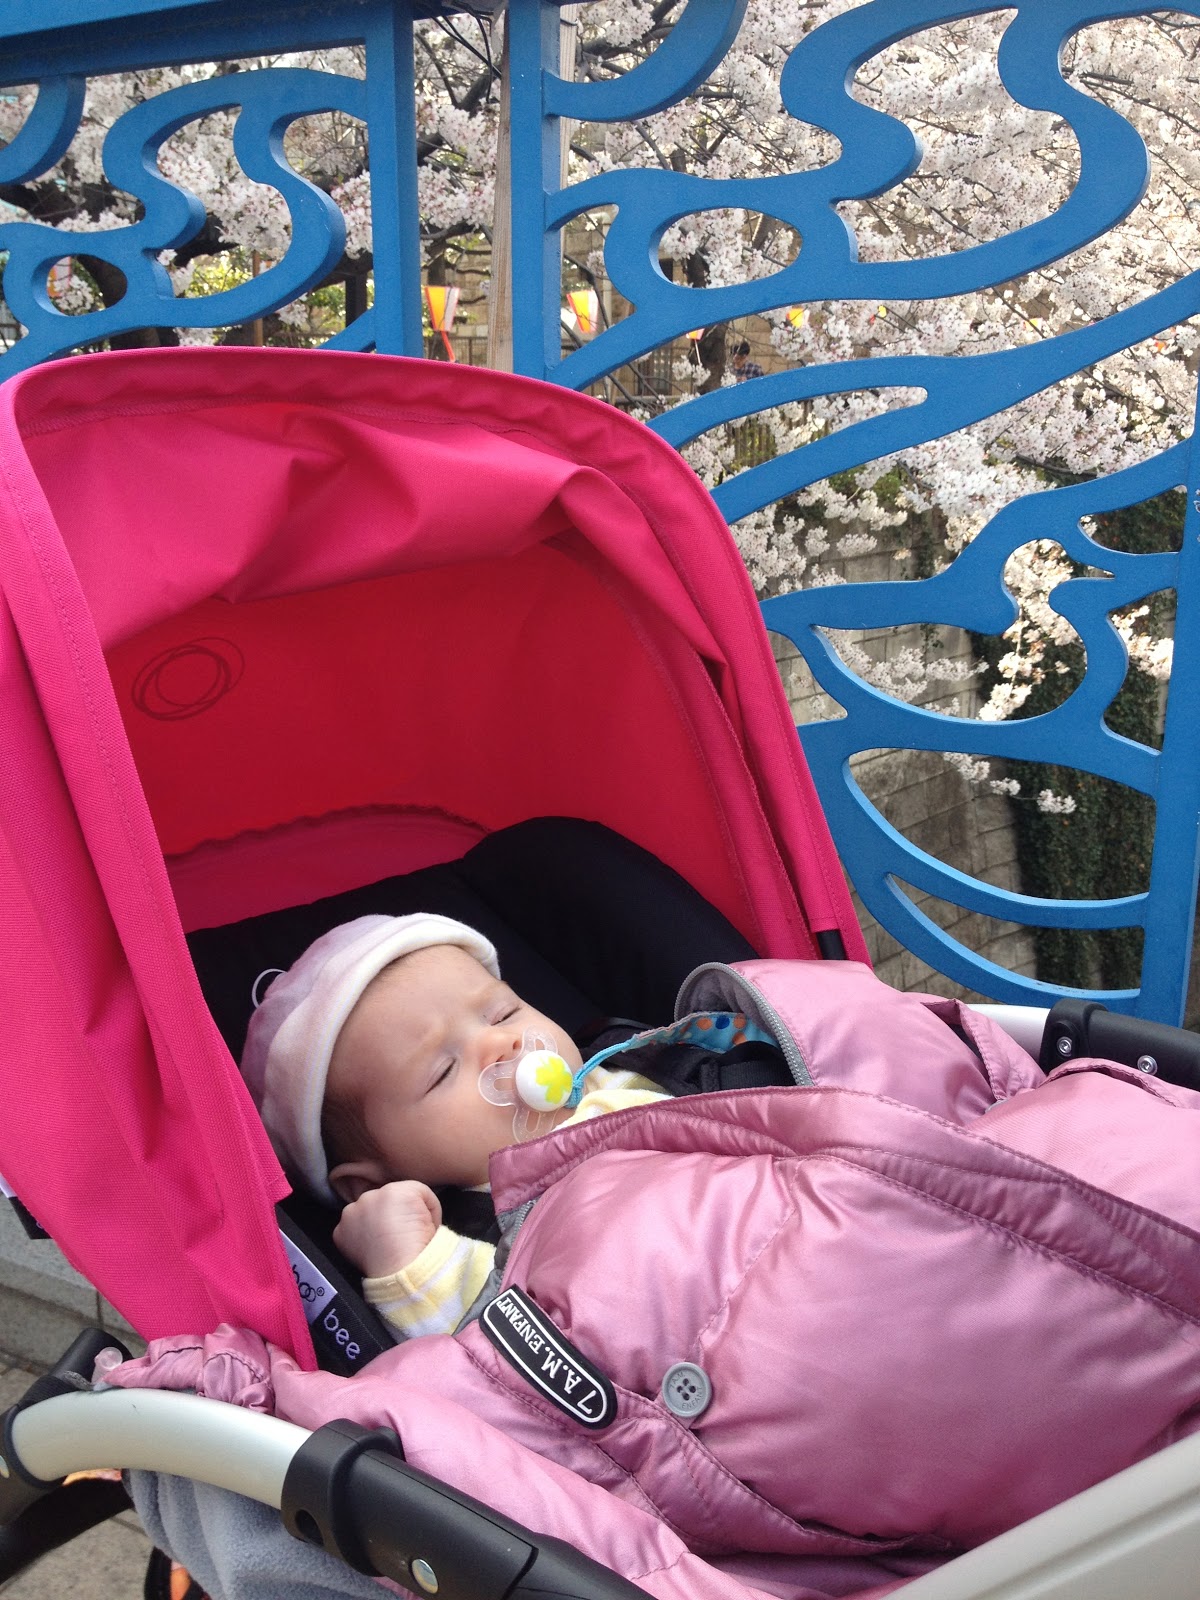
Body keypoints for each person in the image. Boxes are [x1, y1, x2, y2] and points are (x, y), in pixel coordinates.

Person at [242, 913, 771, 1339]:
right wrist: (410, 1268)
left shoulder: (647, 1060)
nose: (502, 1043)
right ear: (374, 1180)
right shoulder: (475, 1236)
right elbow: (494, 1361)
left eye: (501, 1014)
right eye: (443, 1070)